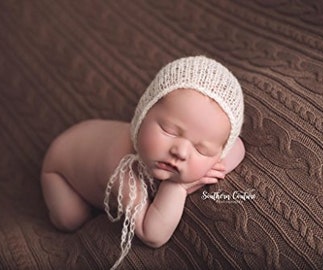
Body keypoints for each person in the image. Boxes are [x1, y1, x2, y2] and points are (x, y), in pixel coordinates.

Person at [41, 56, 245, 269]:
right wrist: (179, 186)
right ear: (143, 113)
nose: (181, 152)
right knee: (71, 218)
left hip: (89, 134)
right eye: (168, 131)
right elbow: (153, 233)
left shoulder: (204, 148)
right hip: (61, 166)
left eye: (201, 149)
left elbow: (237, 147)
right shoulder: (123, 167)